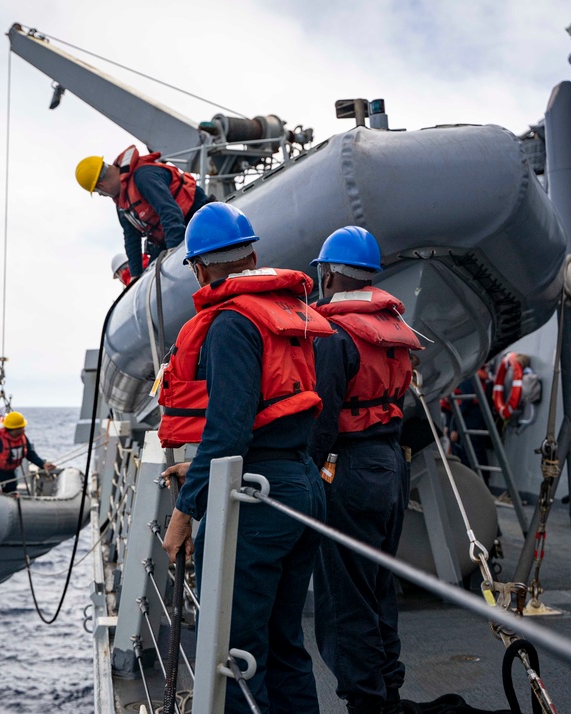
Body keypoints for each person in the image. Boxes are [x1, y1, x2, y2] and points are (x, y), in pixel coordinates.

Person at [158, 202, 333, 713]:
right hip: (300, 485)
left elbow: (228, 432)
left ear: (199, 269)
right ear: (253, 256)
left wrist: (184, 511)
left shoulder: (231, 324)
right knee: (284, 642)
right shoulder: (289, 314)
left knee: (236, 649)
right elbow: (274, 421)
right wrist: (202, 470)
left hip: (260, 500)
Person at [308, 226, 423, 714]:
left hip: (349, 469)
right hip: (391, 467)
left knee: (344, 599)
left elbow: (322, 418)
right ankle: (387, 693)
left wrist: (306, 475)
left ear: (329, 274)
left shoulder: (334, 334)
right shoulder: (392, 330)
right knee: (377, 589)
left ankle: (366, 704)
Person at [76, 145, 210, 282]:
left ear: (101, 186)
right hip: (167, 238)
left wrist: (174, 252)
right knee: (150, 277)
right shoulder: (122, 205)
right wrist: (135, 275)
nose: (101, 195)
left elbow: (168, 210)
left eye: (98, 192)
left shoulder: (144, 176)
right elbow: (131, 238)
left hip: (196, 219)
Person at [0, 411, 55, 494]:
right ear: (15, 429)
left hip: (11, 474)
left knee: (12, 493)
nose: (23, 429)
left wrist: (42, 464)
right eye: (21, 427)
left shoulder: (23, 438)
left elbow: (30, 453)